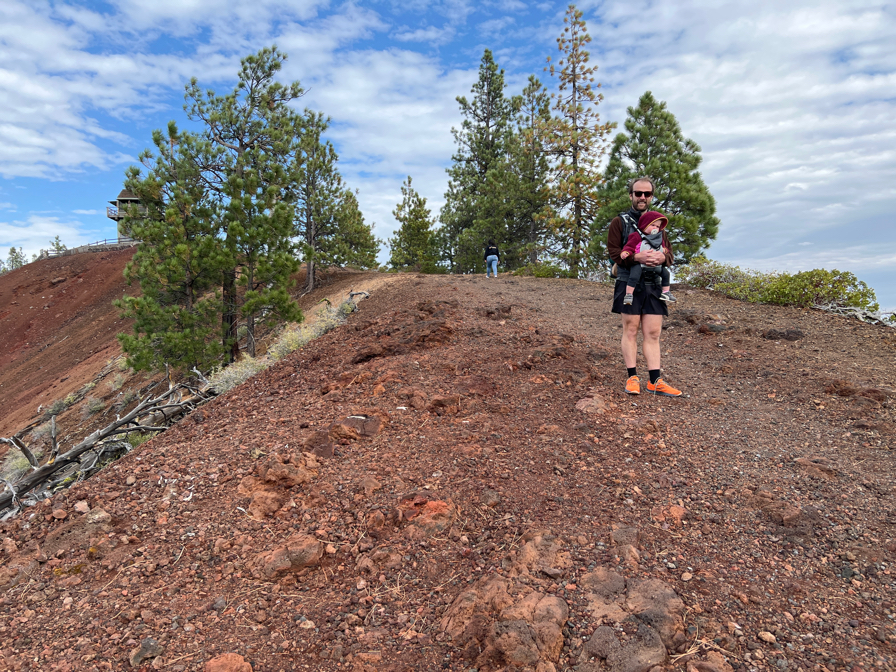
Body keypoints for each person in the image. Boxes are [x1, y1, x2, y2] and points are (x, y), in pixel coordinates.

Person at [607, 177, 682, 397]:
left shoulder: (658, 223)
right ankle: (632, 378)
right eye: (638, 193)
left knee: (653, 332)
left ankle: (654, 381)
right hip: (628, 282)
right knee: (630, 330)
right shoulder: (618, 222)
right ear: (630, 195)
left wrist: (662, 258)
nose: (642, 197)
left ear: (651, 197)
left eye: (647, 194)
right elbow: (613, 254)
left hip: (653, 285)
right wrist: (635, 257)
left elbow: (669, 255)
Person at [619, 211, 676, 305]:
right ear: (645, 224)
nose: (655, 228)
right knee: (634, 276)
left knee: (666, 274)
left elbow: (663, 247)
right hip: (640, 264)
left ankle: (666, 292)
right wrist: (626, 253)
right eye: (652, 225)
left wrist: (664, 252)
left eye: (658, 226)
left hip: (655, 264)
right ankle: (629, 294)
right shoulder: (636, 236)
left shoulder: (659, 237)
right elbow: (629, 246)